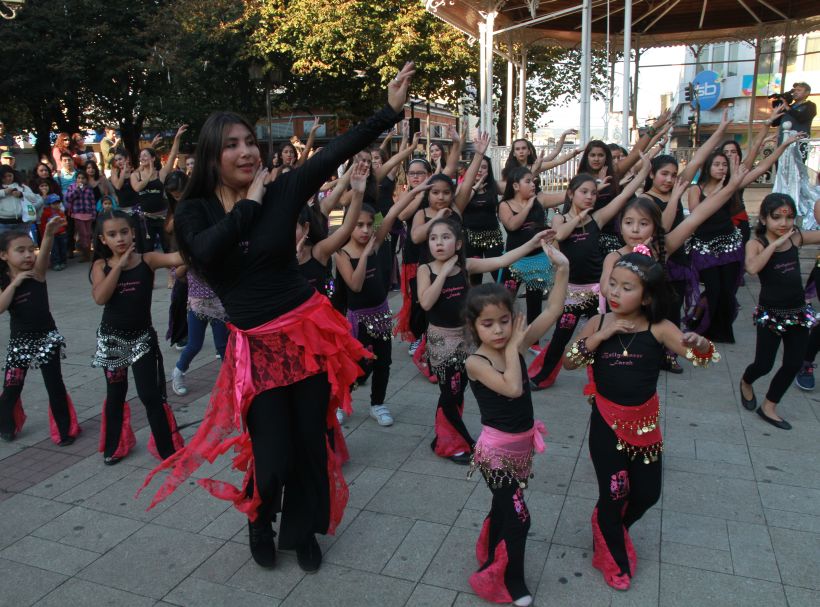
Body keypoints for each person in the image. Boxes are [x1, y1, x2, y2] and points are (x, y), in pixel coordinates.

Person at [140, 63, 416, 574]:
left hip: (305, 334)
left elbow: (334, 151)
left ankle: (304, 530)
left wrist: (389, 111)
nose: (247, 151)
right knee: (271, 454)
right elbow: (204, 252)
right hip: (256, 348)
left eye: (250, 141)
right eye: (232, 145)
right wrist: (249, 205)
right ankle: (259, 519)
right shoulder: (196, 209)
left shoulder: (284, 191)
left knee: (310, 442)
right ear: (212, 155)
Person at [564, 251, 720, 591]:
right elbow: (570, 362)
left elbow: (703, 358)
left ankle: (609, 526)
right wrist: (599, 337)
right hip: (606, 424)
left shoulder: (659, 328)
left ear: (647, 297)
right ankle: (614, 558)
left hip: (645, 426)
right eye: (613, 284)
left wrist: (701, 343)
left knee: (648, 493)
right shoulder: (599, 323)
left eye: (627, 288)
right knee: (614, 493)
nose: (615, 293)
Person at [463, 245, 568, 607]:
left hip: (522, 448)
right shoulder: (476, 362)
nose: (498, 330)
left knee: (504, 507)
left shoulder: (516, 344)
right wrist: (514, 348)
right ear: (473, 326)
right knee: (520, 518)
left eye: (504, 321)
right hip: (496, 453)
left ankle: (491, 548)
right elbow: (512, 388)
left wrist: (562, 270)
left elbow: (553, 310)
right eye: (487, 323)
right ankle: (512, 580)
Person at [418, 218, 554, 464]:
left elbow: (502, 260)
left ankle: (446, 438)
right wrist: (444, 271)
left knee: (458, 391)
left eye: (446, 237)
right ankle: (451, 444)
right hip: (442, 342)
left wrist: (532, 243)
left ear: (458, 243)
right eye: (433, 238)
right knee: (450, 394)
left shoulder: (467, 265)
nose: (439, 243)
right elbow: (426, 302)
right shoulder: (425, 270)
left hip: (467, 339)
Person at [528, 155, 653, 389]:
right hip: (572, 293)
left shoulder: (597, 218)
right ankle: (543, 376)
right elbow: (560, 235)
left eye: (593, 193)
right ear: (571, 194)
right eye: (584, 192)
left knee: (607, 336)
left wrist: (644, 171)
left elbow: (624, 196)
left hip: (598, 291)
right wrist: (578, 217)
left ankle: (607, 378)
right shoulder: (559, 218)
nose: (589, 197)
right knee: (560, 336)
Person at [689, 132, 805, 343]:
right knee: (714, 290)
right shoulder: (696, 189)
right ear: (707, 167)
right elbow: (696, 215)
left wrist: (784, 145)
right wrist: (720, 191)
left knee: (727, 292)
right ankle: (704, 328)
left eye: (724, 165)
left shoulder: (732, 185)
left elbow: (762, 167)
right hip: (705, 248)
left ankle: (722, 333)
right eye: (717, 164)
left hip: (730, 246)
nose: (721, 168)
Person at [90, 210, 185, 465]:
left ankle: (167, 449)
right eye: (112, 234)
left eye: (124, 232)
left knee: (150, 395)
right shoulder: (101, 265)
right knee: (115, 394)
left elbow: (178, 257)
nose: (120, 238)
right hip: (112, 342)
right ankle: (114, 447)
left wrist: (192, 230)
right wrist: (119, 266)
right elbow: (100, 297)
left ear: (133, 232)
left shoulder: (148, 259)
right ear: (103, 240)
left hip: (142, 340)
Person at [336, 182, 424, 427]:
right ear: (349, 225)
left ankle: (378, 404)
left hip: (381, 314)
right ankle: (341, 402)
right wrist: (365, 255)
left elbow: (393, 212)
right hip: (358, 319)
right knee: (356, 364)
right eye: (359, 225)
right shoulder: (342, 253)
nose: (365, 230)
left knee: (383, 361)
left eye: (368, 225)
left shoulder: (374, 241)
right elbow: (355, 285)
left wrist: (415, 191)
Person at [739, 194, 820, 430]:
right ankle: (746, 381)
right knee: (764, 364)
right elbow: (752, 268)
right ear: (764, 219)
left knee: (793, 363)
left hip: (798, 313)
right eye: (776, 217)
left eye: (789, 217)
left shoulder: (796, 237)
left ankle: (769, 406)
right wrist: (774, 244)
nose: (783, 223)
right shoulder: (756, 244)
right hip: (771, 314)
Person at [0, 218, 81, 445]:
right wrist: (15, 283)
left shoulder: (37, 273)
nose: (28, 255)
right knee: (12, 386)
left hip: (47, 338)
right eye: (20, 251)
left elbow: (45, 250)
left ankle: (64, 431)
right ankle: (6, 425)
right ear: (4, 255)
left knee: (55, 386)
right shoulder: (4, 281)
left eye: (31, 250)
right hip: (20, 341)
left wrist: (49, 233)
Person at [130, 125, 187, 252]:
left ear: (153, 158)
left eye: (145, 156)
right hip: (145, 219)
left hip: (162, 217)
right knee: (147, 250)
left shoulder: (161, 174)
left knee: (168, 248)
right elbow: (137, 188)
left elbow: (172, 156)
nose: (142, 158)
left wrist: (177, 138)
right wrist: (149, 174)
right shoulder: (136, 175)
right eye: (141, 156)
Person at [772, 82, 816, 160]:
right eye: (795, 90)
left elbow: (802, 118)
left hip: (799, 143)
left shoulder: (810, 105)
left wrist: (787, 107)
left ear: (807, 93)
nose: (795, 92)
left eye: (799, 90)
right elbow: (774, 123)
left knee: (797, 165)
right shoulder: (788, 107)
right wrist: (778, 110)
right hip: (783, 143)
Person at [64, 171, 96, 261]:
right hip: (77, 214)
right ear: (76, 179)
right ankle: (85, 254)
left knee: (88, 234)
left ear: (86, 180)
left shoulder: (89, 188)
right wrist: (77, 190)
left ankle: (87, 254)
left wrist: (93, 214)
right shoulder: (72, 187)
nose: (81, 180)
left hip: (88, 214)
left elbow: (92, 202)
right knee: (83, 234)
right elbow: (68, 198)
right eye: (79, 178)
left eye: (83, 178)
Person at [39, 194, 68, 270]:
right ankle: (56, 263)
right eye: (54, 203)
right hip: (52, 234)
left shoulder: (61, 212)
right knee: (54, 250)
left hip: (62, 233)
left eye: (57, 203)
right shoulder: (46, 213)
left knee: (63, 249)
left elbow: (65, 222)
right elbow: (43, 225)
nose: (56, 205)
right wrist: (45, 234)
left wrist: (62, 224)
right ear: (49, 204)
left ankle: (63, 261)